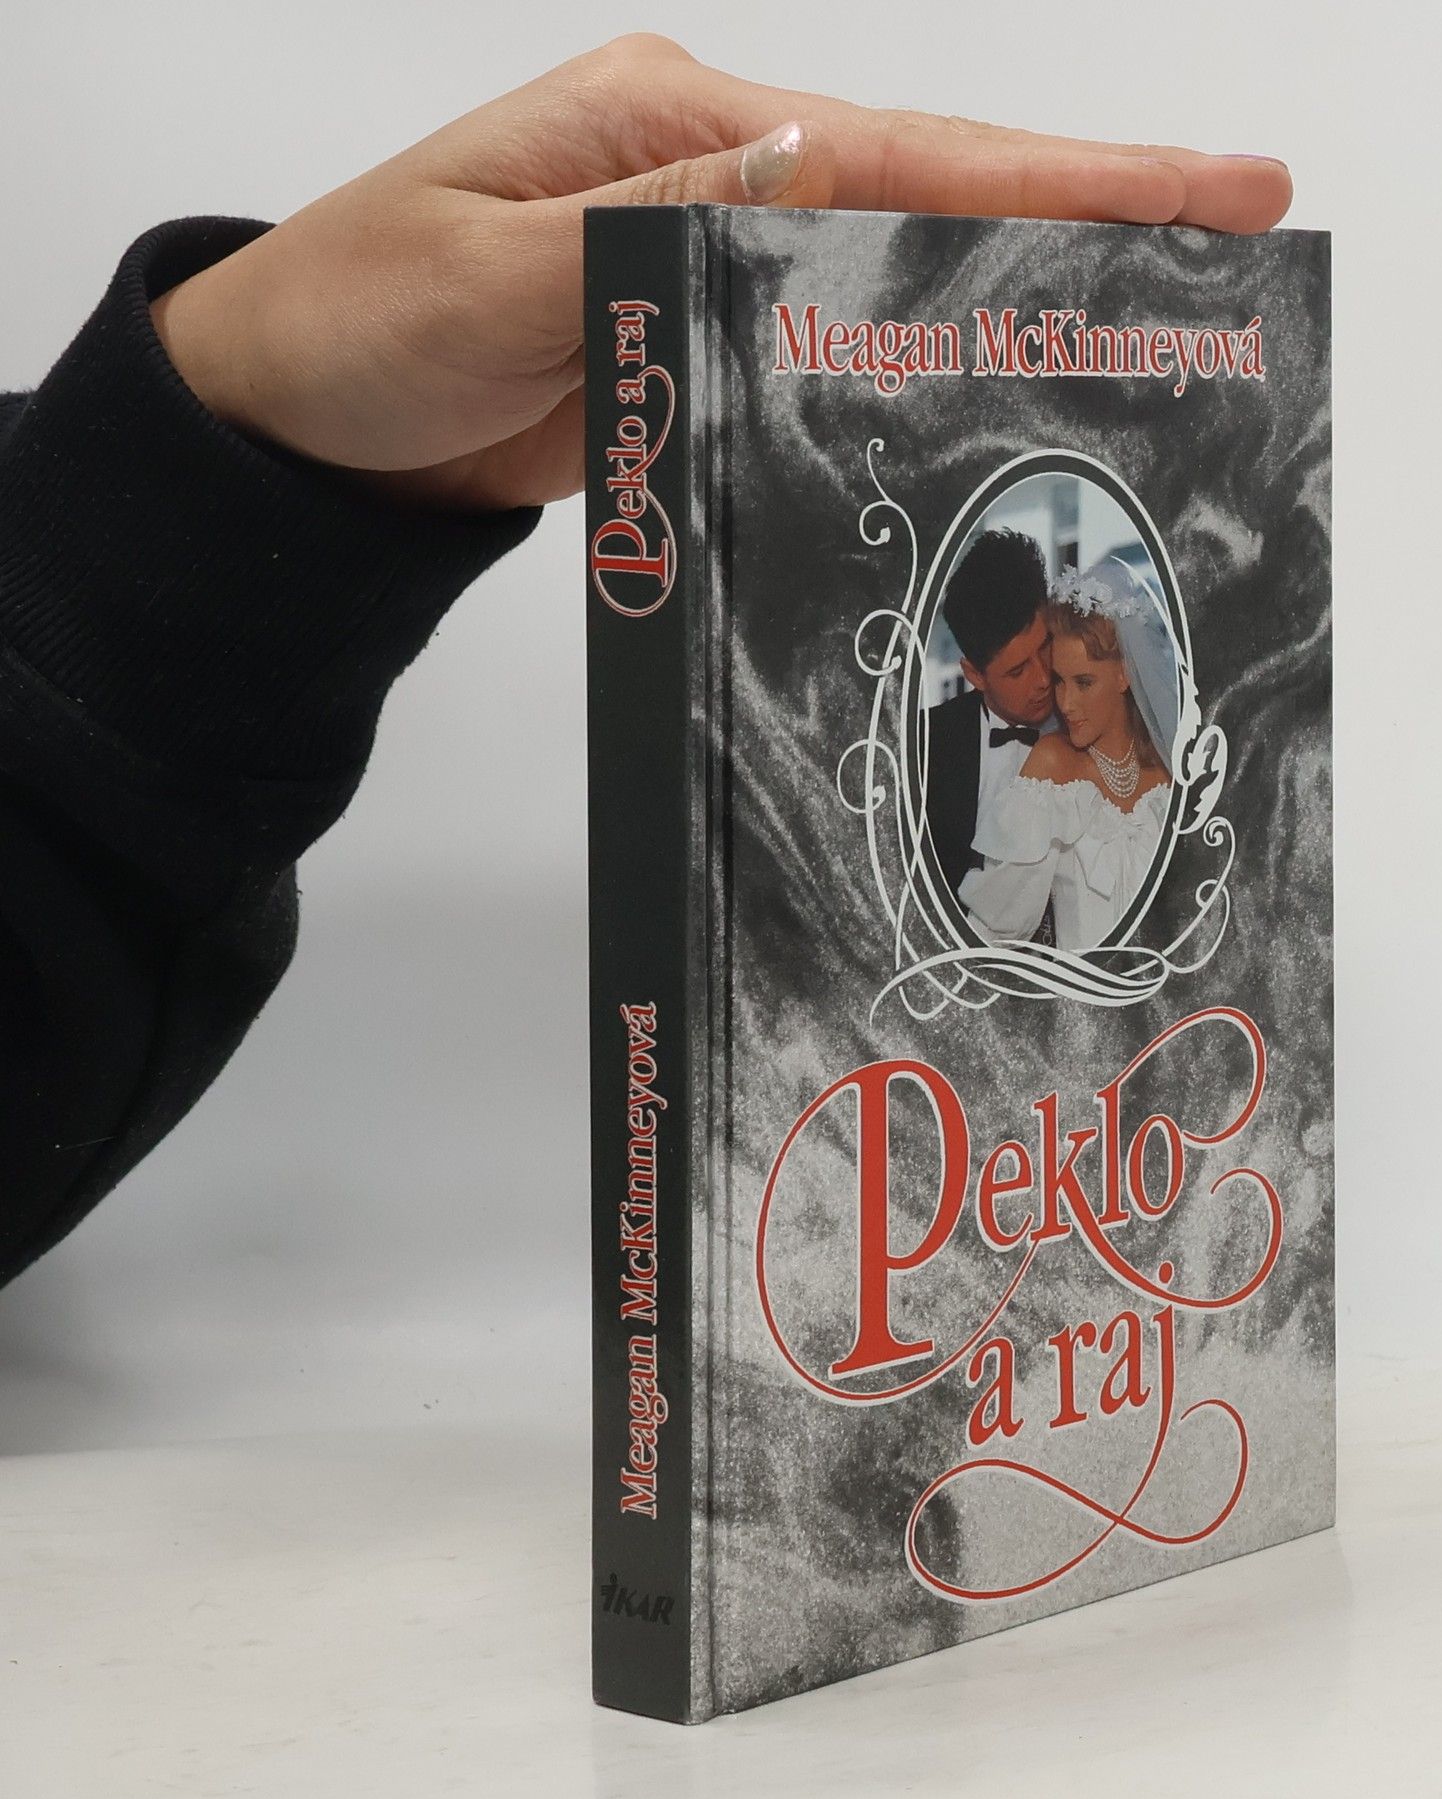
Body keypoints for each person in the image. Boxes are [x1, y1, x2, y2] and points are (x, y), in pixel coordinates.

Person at [0, 37, 1292, 1292]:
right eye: (1023, 673)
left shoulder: (1158, 760)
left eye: (1064, 674)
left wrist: (211, 443)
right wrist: (203, 437)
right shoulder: (934, 751)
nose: (1043, 695)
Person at [959, 555, 1181, 952]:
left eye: (1084, 682)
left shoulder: (1169, 770)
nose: (1065, 703)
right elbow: (995, 931)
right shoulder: (1052, 766)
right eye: (1060, 681)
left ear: (1124, 674)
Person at [923, 528, 1059, 899]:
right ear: (974, 675)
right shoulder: (923, 748)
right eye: (1017, 671)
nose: (1043, 679)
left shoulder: (1103, 722)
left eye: (1045, 646)